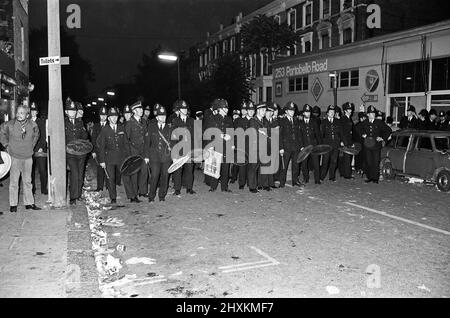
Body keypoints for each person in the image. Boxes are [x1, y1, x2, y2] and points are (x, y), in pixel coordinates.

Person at [0, 105, 41, 212]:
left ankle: (29, 203)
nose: (19, 114)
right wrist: (6, 145)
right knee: (14, 182)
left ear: (27, 115)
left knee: (28, 181)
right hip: (14, 157)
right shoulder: (10, 124)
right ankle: (13, 204)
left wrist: (32, 145)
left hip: (28, 158)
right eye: (18, 112)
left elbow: (37, 134)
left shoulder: (33, 125)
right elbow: (1, 132)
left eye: (22, 113)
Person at [96, 107, 130, 204]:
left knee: (126, 176)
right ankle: (113, 198)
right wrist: (102, 161)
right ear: (108, 118)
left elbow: (126, 143)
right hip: (109, 158)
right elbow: (101, 147)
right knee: (111, 178)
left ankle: (132, 196)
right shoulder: (105, 130)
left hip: (121, 157)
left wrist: (128, 156)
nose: (114, 118)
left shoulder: (121, 128)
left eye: (116, 117)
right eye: (112, 117)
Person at [144, 104, 173, 202]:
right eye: (160, 116)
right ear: (157, 117)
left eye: (164, 115)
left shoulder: (170, 128)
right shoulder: (151, 127)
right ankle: (151, 196)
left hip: (166, 156)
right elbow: (147, 143)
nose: (163, 117)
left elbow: (174, 142)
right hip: (154, 157)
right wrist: (146, 156)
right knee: (155, 176)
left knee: (165, 176)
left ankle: (162, 196)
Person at [65, 98, 89, 205]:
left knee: (80, 174)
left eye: (74, 111)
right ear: (66, 112)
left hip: (81, 153)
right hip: (70, 153)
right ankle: (73, 197)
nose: (73, 113)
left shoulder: (80, 122)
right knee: (74, 173)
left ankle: (78, 195)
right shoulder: (64, 123)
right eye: (70, 111)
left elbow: (85, 136)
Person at [359, 105, 392, 184]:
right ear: (367, 114)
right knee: (369, 162)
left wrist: (383, 138)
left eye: (373, 113)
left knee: (376, 162)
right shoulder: (365, 122)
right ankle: (369, 177)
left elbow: (388, 130)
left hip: (376, 145)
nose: (372, 115)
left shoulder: (379, 122)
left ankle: (375, 178)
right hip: (367, 145)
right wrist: (362, 134)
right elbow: (357, 128)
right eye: (371, 113)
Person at [124, 100, 148, 201]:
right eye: (139, 109)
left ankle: (142, 191)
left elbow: (147, 137)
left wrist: (147, 153)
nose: (141, 110)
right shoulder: (129, 123)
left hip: (143, 150)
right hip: (133, 151)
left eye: (141, 108)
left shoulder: (144, 121)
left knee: (144, 171)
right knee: (134, 174)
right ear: (134, 111)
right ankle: (133, 196)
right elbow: (126, 140)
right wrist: (129, 155)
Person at [171, 100, 196, 195]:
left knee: (189, 170)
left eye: (185, 108)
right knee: (178, 170)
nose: (184, 110)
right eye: (182, 108)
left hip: (189, 149)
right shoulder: (175, 121)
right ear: (178, 110)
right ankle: (177, 189)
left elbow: (195, 137)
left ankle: (189, 188)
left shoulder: (192, 121)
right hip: (179, 149)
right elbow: (173, 138)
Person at [209, 99, 233, 192]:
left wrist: (230, 137)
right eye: (224, 108)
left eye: (227, 108)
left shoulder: (229, 119)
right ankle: (213, 186)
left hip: (227, 146)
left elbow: (232, 132)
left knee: (225, 167)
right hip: (217, 145)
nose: (226, 110)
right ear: (219, 109)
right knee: (216, 167)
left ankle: (224, 187)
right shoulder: (213, 118)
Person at [279, 101, 302, 188]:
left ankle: (295, 181)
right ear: (286, 111)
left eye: (293, 110)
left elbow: (299, 135)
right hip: (286, 147)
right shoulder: (282, 121)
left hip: (295, 147)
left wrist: (301, 146)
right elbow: (280, 136)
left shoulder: (296, 121)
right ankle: (282, 182)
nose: (292, 112)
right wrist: (281, 147)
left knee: (296, 165)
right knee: (284, 166)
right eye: (290, 110)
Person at [248, 102, 271, 192]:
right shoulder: (252, 121)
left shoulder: (265, 121)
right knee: (253, 167)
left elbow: (268, 132)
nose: (264, 112)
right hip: (255, 148)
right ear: (257, 111)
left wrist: (262, 132)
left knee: (264, 166)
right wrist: (261, 133)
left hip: (263, 147)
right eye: (262, 110)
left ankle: (264, 184)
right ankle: (252, 187)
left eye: (265, 110)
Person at [299, 104, 321, 185]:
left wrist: (319, 146)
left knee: (316, 163)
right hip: (305, 147)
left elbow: (318, 135)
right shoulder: (300, 123)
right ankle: (306, 178)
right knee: (304, 164)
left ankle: (317, 179)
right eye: (306, 112)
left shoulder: (314, 122)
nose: (308, 113)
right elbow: (299, 136)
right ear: (303, 113)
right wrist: (301, 146)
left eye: (309, 112)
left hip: (314, 146)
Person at [320, 105, 343, 182]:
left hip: (335, 145)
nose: (332, 113)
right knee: (325, 161)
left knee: (334, 161)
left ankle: (332, 177)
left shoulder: (337, 121)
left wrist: (341, 141)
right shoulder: (324, 122)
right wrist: (322, 145)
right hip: (327, 145)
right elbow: (321, 134)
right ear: (327, 113)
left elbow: (340, 133)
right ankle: (322, 176)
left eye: (333, 112)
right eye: (330, 112)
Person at [30, 102, 48, 195]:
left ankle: (44, 189)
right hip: (29, 150)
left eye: (34, 111)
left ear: (37, 112)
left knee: (42, 170)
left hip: (39, 149)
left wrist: (41, 147)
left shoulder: (41, 122)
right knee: (30, 170)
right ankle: (32, 189)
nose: (33, 112)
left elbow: (43, 135)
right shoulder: (26, 122)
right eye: (31, 111)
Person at [91, 106, 108, 192]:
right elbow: (93, 139)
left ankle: (109, 186)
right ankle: (100, 187)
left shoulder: (109, 125)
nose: (103, 117)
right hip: (98, 151)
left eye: (105, 115)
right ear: (99, 116)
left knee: (108, 168)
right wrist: (93, 151)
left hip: (108, 151)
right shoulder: (96, 126)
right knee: (100, 169)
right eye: (102, 115)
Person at [264, 102, 280, 188]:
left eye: (272, 111)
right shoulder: (264, 121)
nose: (271, 113)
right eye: (269, 111)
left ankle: (272, 181)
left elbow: (277, 134)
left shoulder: (275, 121)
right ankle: (266, 183)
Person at [340, 102, 355, 179]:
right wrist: (344, 142)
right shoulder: (343, 118)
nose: (350, 110)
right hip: (346, 141)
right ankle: (347, 174)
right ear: (345, 110)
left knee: (347, 157)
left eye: (351, 109)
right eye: (349, 109)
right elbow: (342, 132)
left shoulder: (349, 119)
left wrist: (352, 142)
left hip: (349, 141)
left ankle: (343, 173)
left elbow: (351, 132)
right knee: (347, 158)